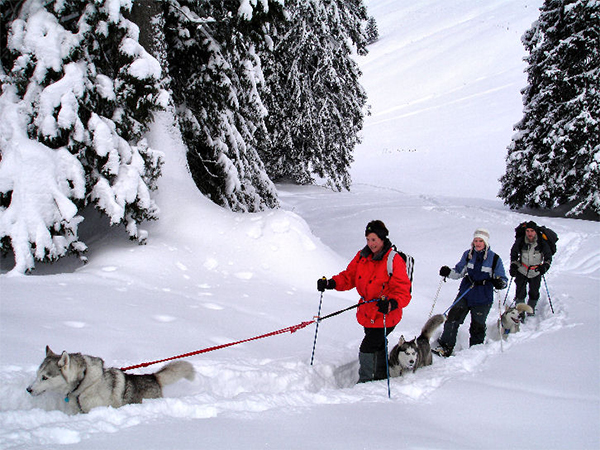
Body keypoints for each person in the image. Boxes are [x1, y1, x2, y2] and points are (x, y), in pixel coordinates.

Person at [317, 220, 412, 383]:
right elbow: (349, 276)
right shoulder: (362, 256)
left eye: (374, 239)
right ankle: (382, 375)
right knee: (377, 343)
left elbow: (404, 290)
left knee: (367, 347)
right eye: (368, 239)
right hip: (367, 312)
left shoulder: (393, 260)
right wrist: (331, 283)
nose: (370, 243)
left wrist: (390, 304)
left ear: (382, 239)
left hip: (386, 314)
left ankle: (366, 381)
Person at [433, 228, 507, 357]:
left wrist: (500, 283)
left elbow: (503, 279)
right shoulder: (468, 255)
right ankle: (445, 347)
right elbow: (459, 272)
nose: (477, 244)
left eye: (480, 241)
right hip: (466, 292)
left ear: (486, 243)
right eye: (475, 241)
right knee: (452, 319)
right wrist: (448, 272)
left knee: (477, 325)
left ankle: (475, 351)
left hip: (483, 296)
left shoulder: (494, 259)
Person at [509, 221, 552, 317]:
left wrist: (545, 266)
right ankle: (520, 313)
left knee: (534, 292)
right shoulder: (520, 241)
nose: (529, 233)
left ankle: (531, 309)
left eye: (532, 231)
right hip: (522, 270)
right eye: (527, 231)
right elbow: (513, 253)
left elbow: (548, 256)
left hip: (536, 272)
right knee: (520, 293)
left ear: (535, 231)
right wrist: (513, 265)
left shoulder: (541, 242)